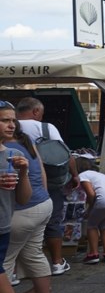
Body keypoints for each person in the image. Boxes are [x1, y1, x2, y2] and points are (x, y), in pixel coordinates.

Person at [15, 97, 77, 276]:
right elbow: (65, 153)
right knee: (52, 221)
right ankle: (57, 262)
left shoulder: (10, 128)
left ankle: (14, 268)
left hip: (16, 182)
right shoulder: (46, 128)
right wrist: (75, 175)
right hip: (48, 182)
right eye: (40, 114)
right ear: (35, 112)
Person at [3, 120, 53, 293]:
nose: (8, 124)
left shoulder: (5, 148)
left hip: (22, 211)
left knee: (5, 258)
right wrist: (44, 194)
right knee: (33, 253)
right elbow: (41, 170)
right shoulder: (26, 140)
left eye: (9, 120)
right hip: (43, 204)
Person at [0, 100, 32, 293]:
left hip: (3, 231)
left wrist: (23, 172)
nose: (11, 124)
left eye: (12, 120)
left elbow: (23, 199)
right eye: (4, 120)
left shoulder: (10, 152)